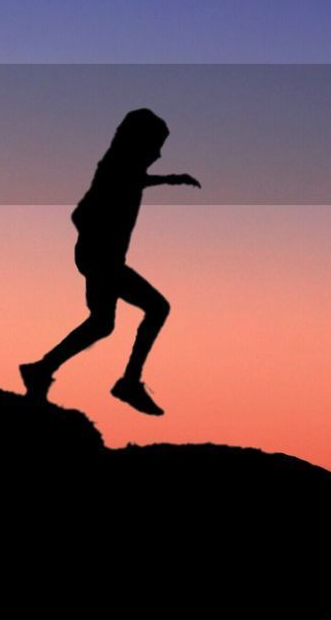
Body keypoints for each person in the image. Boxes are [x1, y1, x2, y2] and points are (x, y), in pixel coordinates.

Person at [18, 109, 200, 416]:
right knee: (157, 308)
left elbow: (135, 181)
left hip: (100, 259)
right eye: (156, 146)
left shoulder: (123, 170)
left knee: (102, 323)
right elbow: (80, 214)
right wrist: (100, 246)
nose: (158, 153)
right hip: (102, 260)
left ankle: (41, 368)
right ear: (139, 143)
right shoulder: (117, 171)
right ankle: (129, 382)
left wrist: (170, 179)